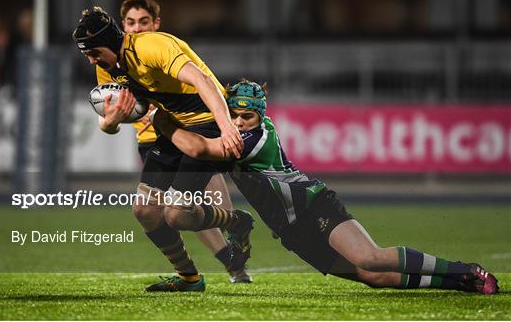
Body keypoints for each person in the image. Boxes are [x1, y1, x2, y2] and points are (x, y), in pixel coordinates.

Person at [150, 79, 499, 295]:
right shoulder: (234, 130)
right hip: (290, 229)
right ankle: (457, 283)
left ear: (260, 116)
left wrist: (159, 119)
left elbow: (197, 148)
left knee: (370, 257)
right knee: (372, 277)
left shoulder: (253, 138)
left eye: (247, 116)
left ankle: (463, 269)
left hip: (312, 205)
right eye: (235, 115)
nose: (239, 122)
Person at [73, 6, 254, 292]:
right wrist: (114, 121)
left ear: (109, 42)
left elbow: (202, 81)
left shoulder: (151, 46)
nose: (92, 61)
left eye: (94, 53)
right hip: (174, 128)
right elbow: (106, 125)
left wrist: (227, 126)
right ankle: (189, 278)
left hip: (209, 123)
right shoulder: (106, 69)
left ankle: (237, 221)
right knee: (144, 210)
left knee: (177, 214)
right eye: (88, 56)